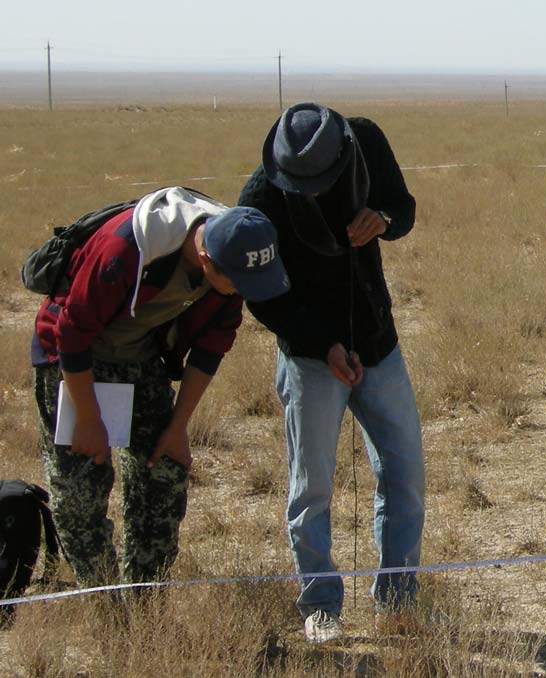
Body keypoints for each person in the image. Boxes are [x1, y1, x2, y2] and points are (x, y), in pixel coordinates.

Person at [32, 187, 290, 587]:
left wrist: (177, 427)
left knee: (163, 474)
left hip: (141, 358)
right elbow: (72, 333)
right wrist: (88, 419)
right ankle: (104, 604)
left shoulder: (234, 253)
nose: (243, 291)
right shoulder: (123, 249)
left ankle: (146, 596)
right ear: (205, 259)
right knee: (80, 493)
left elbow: (210, 346)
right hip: (72, 363)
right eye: (237, 283)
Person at [237, 103, 425, 644]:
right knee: (311, 487)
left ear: (342, 153)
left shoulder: (366, 140)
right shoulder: (261, 197)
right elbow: (262, 296)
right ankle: (320, 605)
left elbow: (404, 208)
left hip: (378, 345)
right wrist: (323, 345)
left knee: (405, 475)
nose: (312, 190)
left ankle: (397, 601)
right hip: (311, 360)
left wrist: (384, 219)